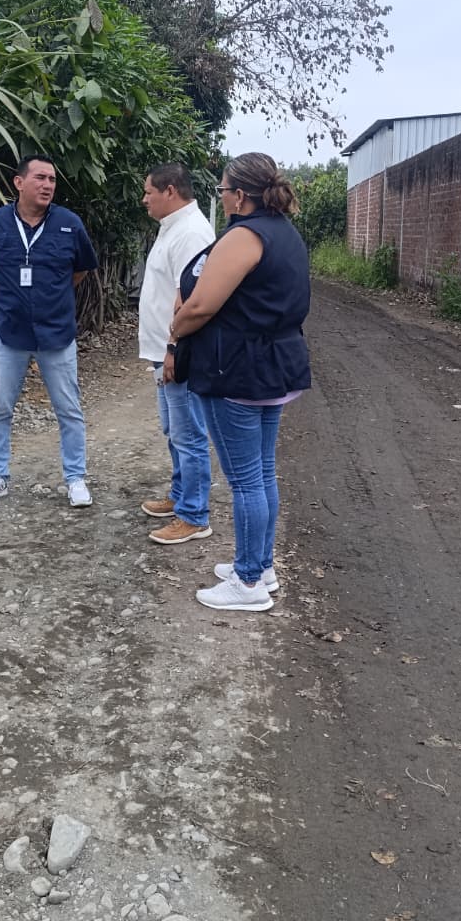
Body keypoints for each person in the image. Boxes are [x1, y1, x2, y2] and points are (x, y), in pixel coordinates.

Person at [169, 153, 311, 613]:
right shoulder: (285, 233)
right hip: (274, 367)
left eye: (223, 190)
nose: (222, 197)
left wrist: (175, 331)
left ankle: (248, 582)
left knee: (246, 480)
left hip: (237, 371)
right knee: (262, 472)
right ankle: (261, 566)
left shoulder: (243, 237)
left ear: (240, 195)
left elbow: (201, 305)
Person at [0, 154, 98, 507]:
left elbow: (81, 270)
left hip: (57, 333)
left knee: (68, 409)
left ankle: (76, 478)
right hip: (10, 332)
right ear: (19, 183)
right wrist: (3, 298)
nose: (48, 185)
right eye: (40, 177)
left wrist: (53, 297)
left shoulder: (69, 224)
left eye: (52, 179)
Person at [138, 164, 216, 545]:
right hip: (164, 351)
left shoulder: (191, 233)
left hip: (179, 352)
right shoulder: (172, 227)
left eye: (148, 192)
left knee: (189, 434)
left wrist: (173, 348)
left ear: (170, 191)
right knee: (175, 430)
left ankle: (195, 515)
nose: (144, 199)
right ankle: (181, 494)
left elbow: (191, 300)